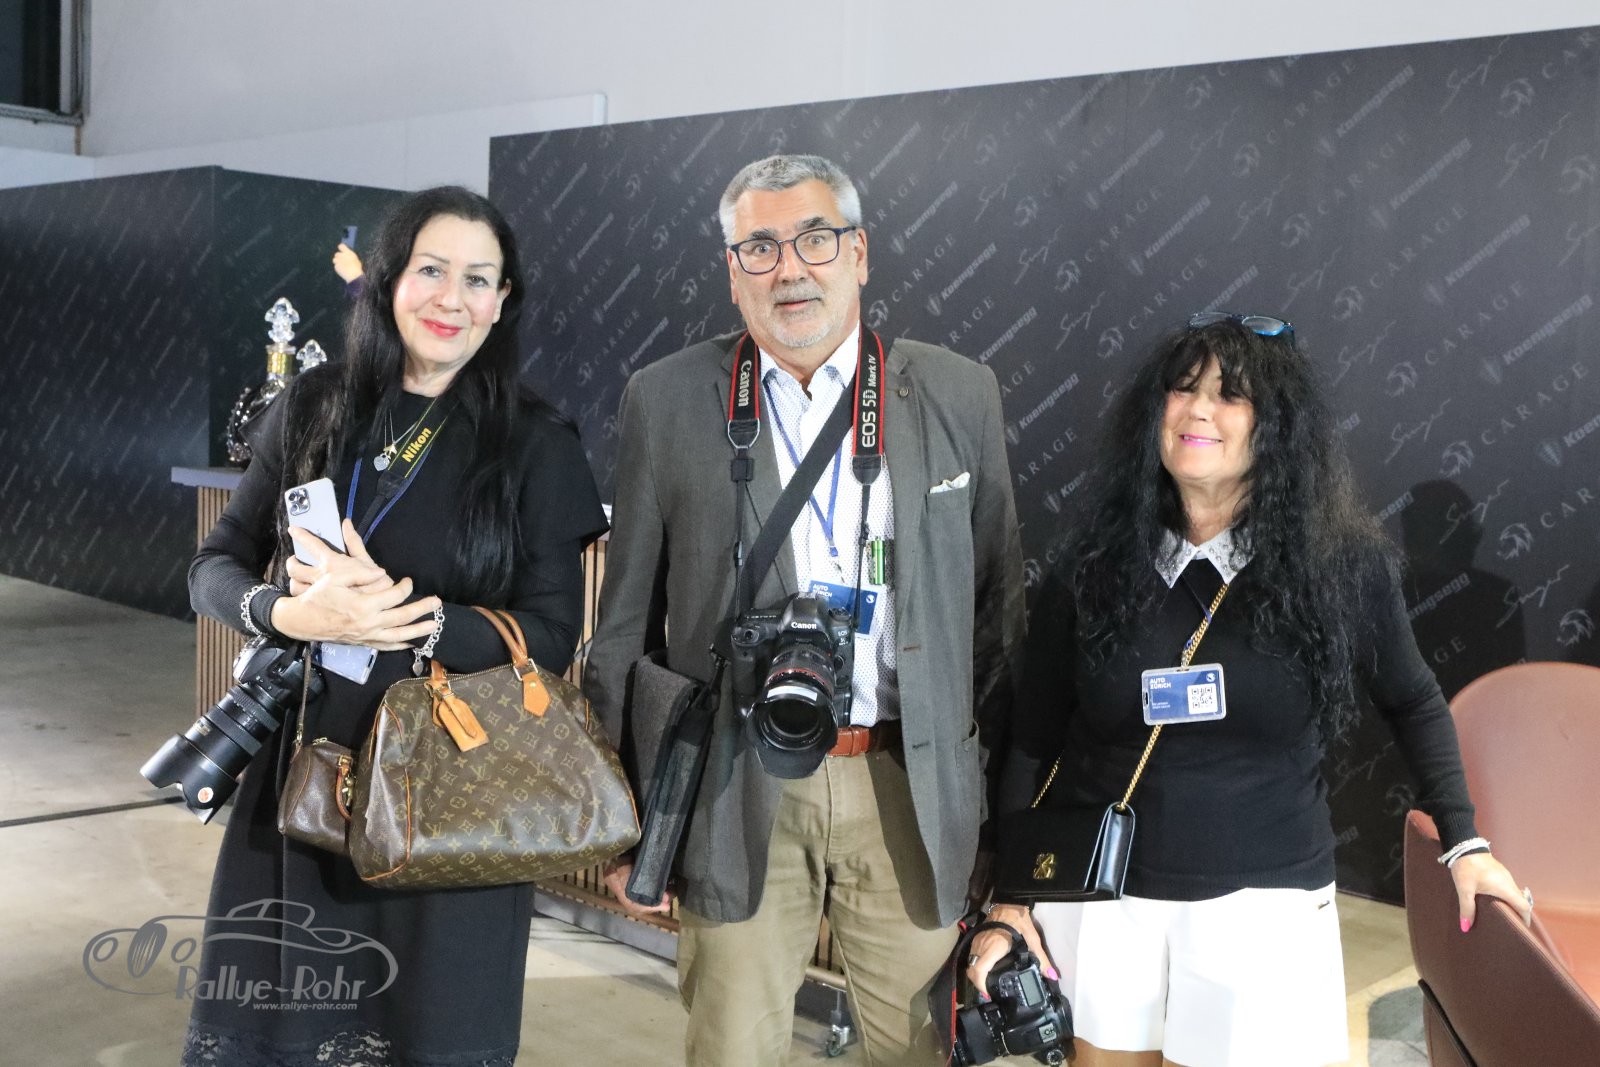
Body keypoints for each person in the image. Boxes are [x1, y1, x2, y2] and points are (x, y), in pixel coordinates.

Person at [971, 313, 1531, 1067]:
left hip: (1262, 914)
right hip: (1105, 909)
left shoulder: (1342, 567)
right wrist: (1011, 897)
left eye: (1230, 395)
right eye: (1183, 389)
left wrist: (1464, 841)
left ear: (1277, 428)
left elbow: (1414, 701)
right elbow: (1033, 739)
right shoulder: (1093, 565)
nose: (1198, 411)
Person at [584, 153, 1026, 1066]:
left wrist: (998, 819)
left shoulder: (958, 391)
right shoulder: (667, 399)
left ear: (858, 253)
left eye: (816, 239)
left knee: (919, 1047)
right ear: (732, 271)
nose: (790, 268)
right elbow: (623, 627)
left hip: (906, 779)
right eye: (760, 247)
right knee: (731, 1044)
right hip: (731, 778)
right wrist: (628, 824)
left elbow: (999, 615)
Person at [184, 186, 607, 1067]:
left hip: (453, 795)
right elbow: (213, 567)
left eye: (479, 279)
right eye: (432, 270)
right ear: (388, 282)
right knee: (282, 1031)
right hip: (305, 775)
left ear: (503, 300)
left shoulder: (537, 442)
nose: (453, 298)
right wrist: (286, 612)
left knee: (430, 1033)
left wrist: (412, 624)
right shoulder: (316, 404)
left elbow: (551, 634)